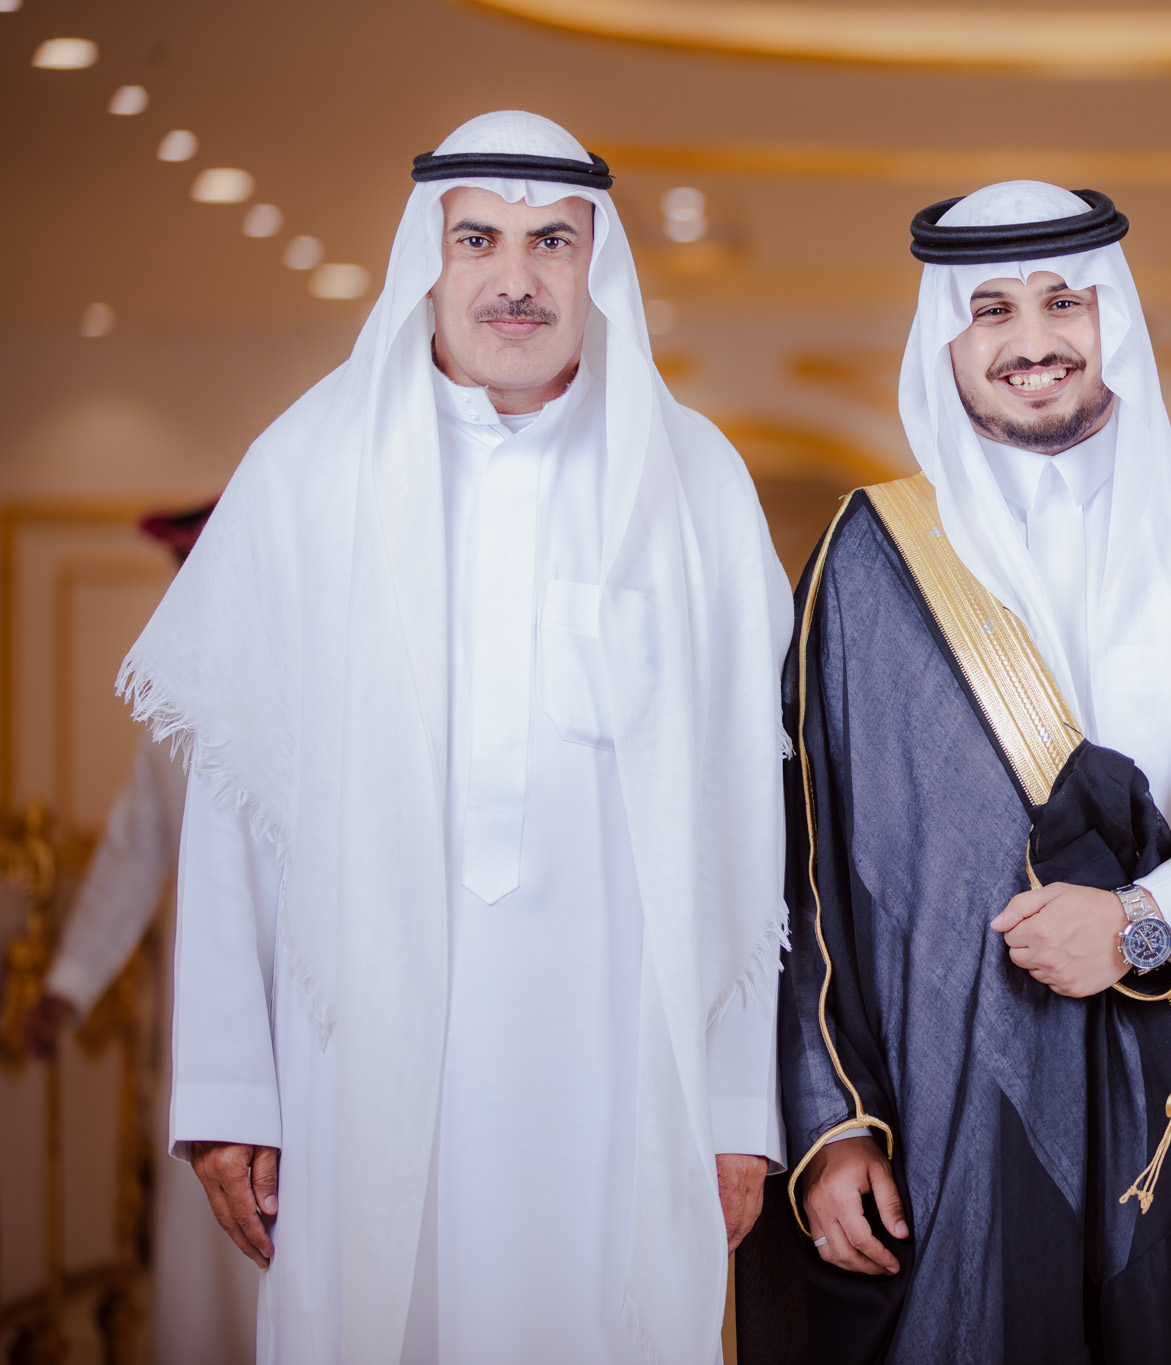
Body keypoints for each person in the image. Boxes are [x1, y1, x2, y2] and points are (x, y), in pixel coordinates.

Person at [118, 111, 793, 1364]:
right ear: (424, 260)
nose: (515, 277)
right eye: (477, 238)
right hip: (359, 1070)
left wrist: (739, 1106)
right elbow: (232, 808)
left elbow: (745, 827)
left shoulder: (694, 483)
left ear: (597, 263)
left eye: (552, 242)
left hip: (619, 1078)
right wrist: (226, 1089)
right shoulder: (307, 471)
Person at [753, 181, 1171, 1365]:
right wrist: (832, 1121)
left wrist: (1139, 922)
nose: (1032, 340)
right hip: (952, 1111)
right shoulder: (866, 559)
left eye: (1065, 301)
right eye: (992, 310)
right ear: (945, 338)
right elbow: (805, 868)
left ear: (1112, 317)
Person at [25, 501, 264, 1365]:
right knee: (207, 1247)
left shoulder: (325, 685)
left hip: (315, 1021)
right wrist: (69, 982)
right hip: (211, 1021)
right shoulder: (175, 707)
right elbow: (133, 850)